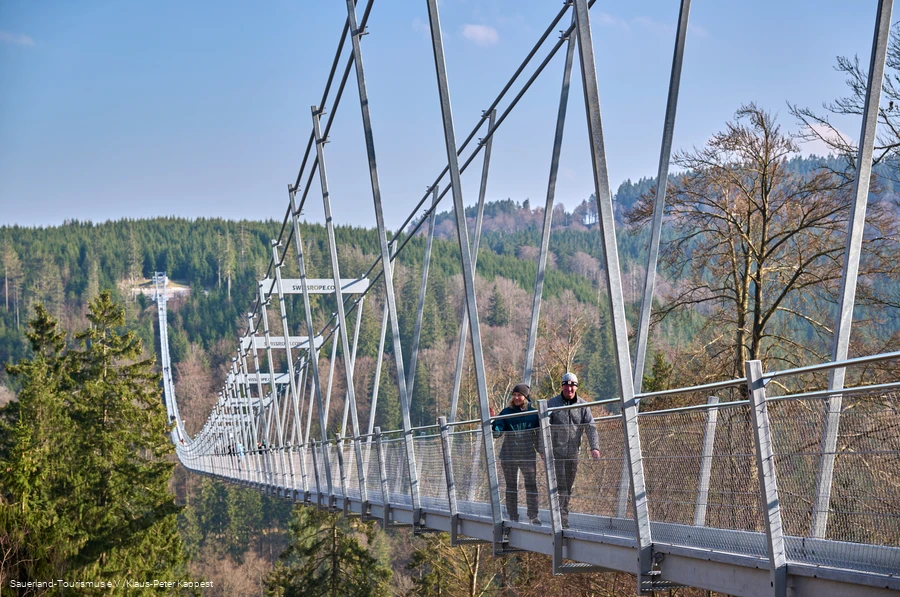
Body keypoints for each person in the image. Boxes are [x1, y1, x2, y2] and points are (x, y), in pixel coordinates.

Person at [546, 372, 599, 528]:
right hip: (556, 452)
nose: (569, 388)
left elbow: (591, 427)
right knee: (560, 485)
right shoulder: (552, 404)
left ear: (576, 387)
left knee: (568, 486)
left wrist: (594, 447)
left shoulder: (582, 406)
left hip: (573, 453)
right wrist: (544, 449)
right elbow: (542, 427)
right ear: (562, 385)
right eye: (567, 384)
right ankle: (562, 520)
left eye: (573, 385)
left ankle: (560, 515)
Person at [492, 383, 541, 525]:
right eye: (514, 395)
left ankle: (533, 515)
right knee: (511, 486)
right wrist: (494, 427)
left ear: (525, 397)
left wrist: (542, 451)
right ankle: (513, 516)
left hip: (527, 454)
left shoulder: (533, 414)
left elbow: (539, 435)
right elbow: (498, 430)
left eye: (519, 395)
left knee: (531, 484)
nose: (516, 397)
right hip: (509, 455)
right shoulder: (506, 412)